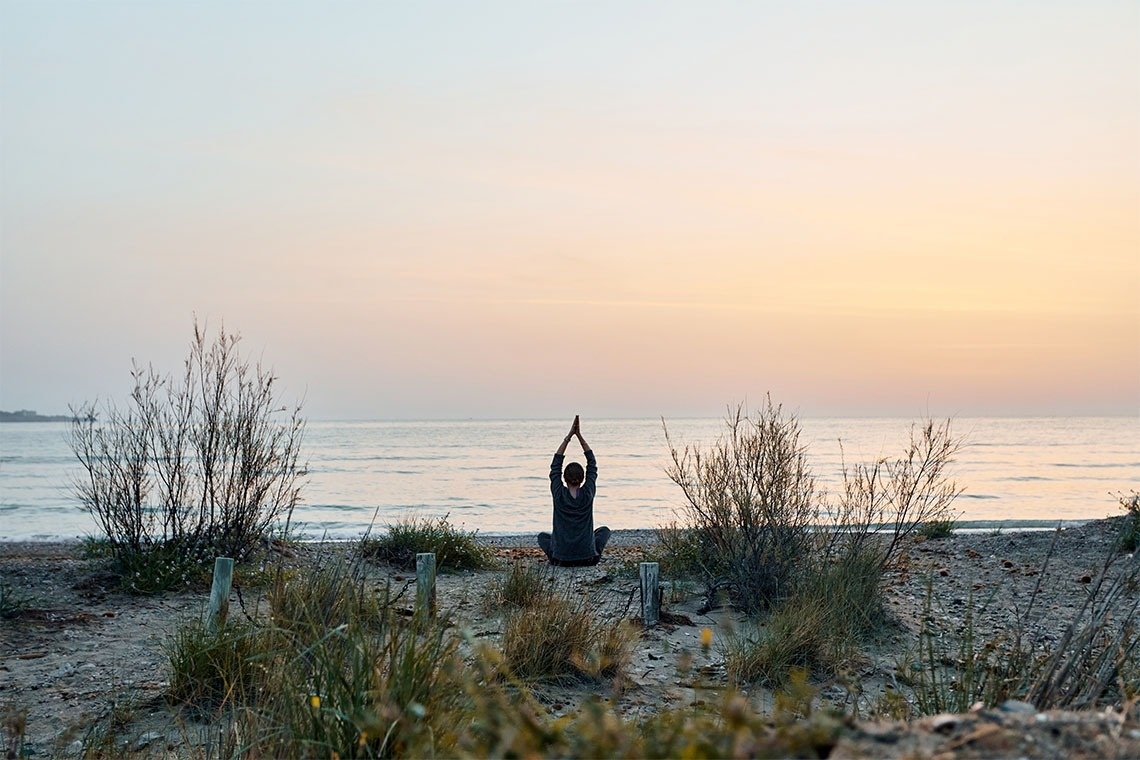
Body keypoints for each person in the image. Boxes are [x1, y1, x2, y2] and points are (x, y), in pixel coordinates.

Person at [538, 415, 611, 566]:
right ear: (583, 478)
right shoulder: (588, 493)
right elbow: (592, 464)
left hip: (560, 559)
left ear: (564, 478)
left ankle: (560, 553)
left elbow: (555, 465)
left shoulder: (559, 494)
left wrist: (568, 437)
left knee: (542, 537)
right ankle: (589, 550)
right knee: (604, 531)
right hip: (588, 559)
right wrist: (580, 437)